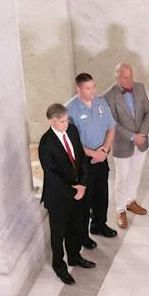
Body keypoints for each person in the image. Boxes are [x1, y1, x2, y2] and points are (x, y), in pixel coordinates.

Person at [37, 103, 96, 286]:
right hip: (58, 197)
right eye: (62, 121)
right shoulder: (46, 144)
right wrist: (73, 191)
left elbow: (80, 157)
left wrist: (83, 184)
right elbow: (52, 175)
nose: (66, 123)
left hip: (78, 190)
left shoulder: (72, 130)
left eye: (67, 119)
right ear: (52, 121)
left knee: (76, 227)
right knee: (58, 234)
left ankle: (74, 257)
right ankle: (59, 266)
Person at [66, 74, 118, 242]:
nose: (92, 91)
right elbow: (71, 142)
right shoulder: (70, 110)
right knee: (85, 200)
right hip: (83, 161)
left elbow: (111, 128)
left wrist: (104, 149)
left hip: (102, 156)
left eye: (93, 86)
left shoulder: (101, 102)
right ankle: (83, 236)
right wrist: (92, 153)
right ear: (78, 89)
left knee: (102, 193)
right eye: (88, 88)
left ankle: (99, 224)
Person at [104, 63, 149, 229]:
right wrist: (133, 136)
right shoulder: (108, 96)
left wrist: (143, 133)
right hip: (122, 144)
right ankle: (120, 209)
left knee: (135, 174)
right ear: (117, 77)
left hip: (141, 140)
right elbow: (113, 124)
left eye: (131, 76)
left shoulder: (139, 87)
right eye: (125, 77)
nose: (129, 80)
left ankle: (130, 200)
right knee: (122, 178)